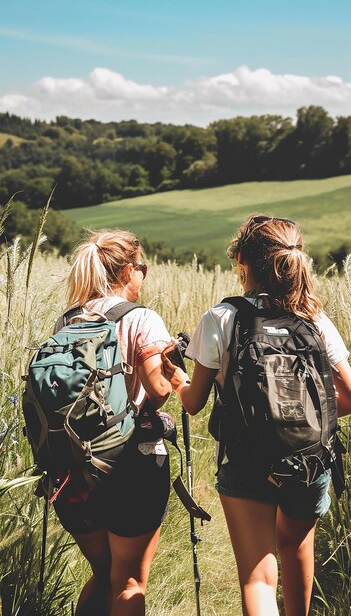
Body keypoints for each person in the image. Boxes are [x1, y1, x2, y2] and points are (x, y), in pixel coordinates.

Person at [162, 215, 351, 616]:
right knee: (297, 549)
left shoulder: (221, 317)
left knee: (258, 578)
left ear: (243, 260)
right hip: (308, 459)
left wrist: (176, 376)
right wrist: (308, 419)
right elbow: (349, 395)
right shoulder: (314, 318)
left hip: (246, 459)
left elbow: (193, 403)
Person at [53, 229, 173, 616]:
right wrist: (161, 390)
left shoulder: (66, 321)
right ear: (126, 271)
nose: (144, 275)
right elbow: (157, 387)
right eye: (143, 268)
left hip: (74, 468)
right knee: (129, 581)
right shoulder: (142, 319)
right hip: (132, 466)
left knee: (102, 571)